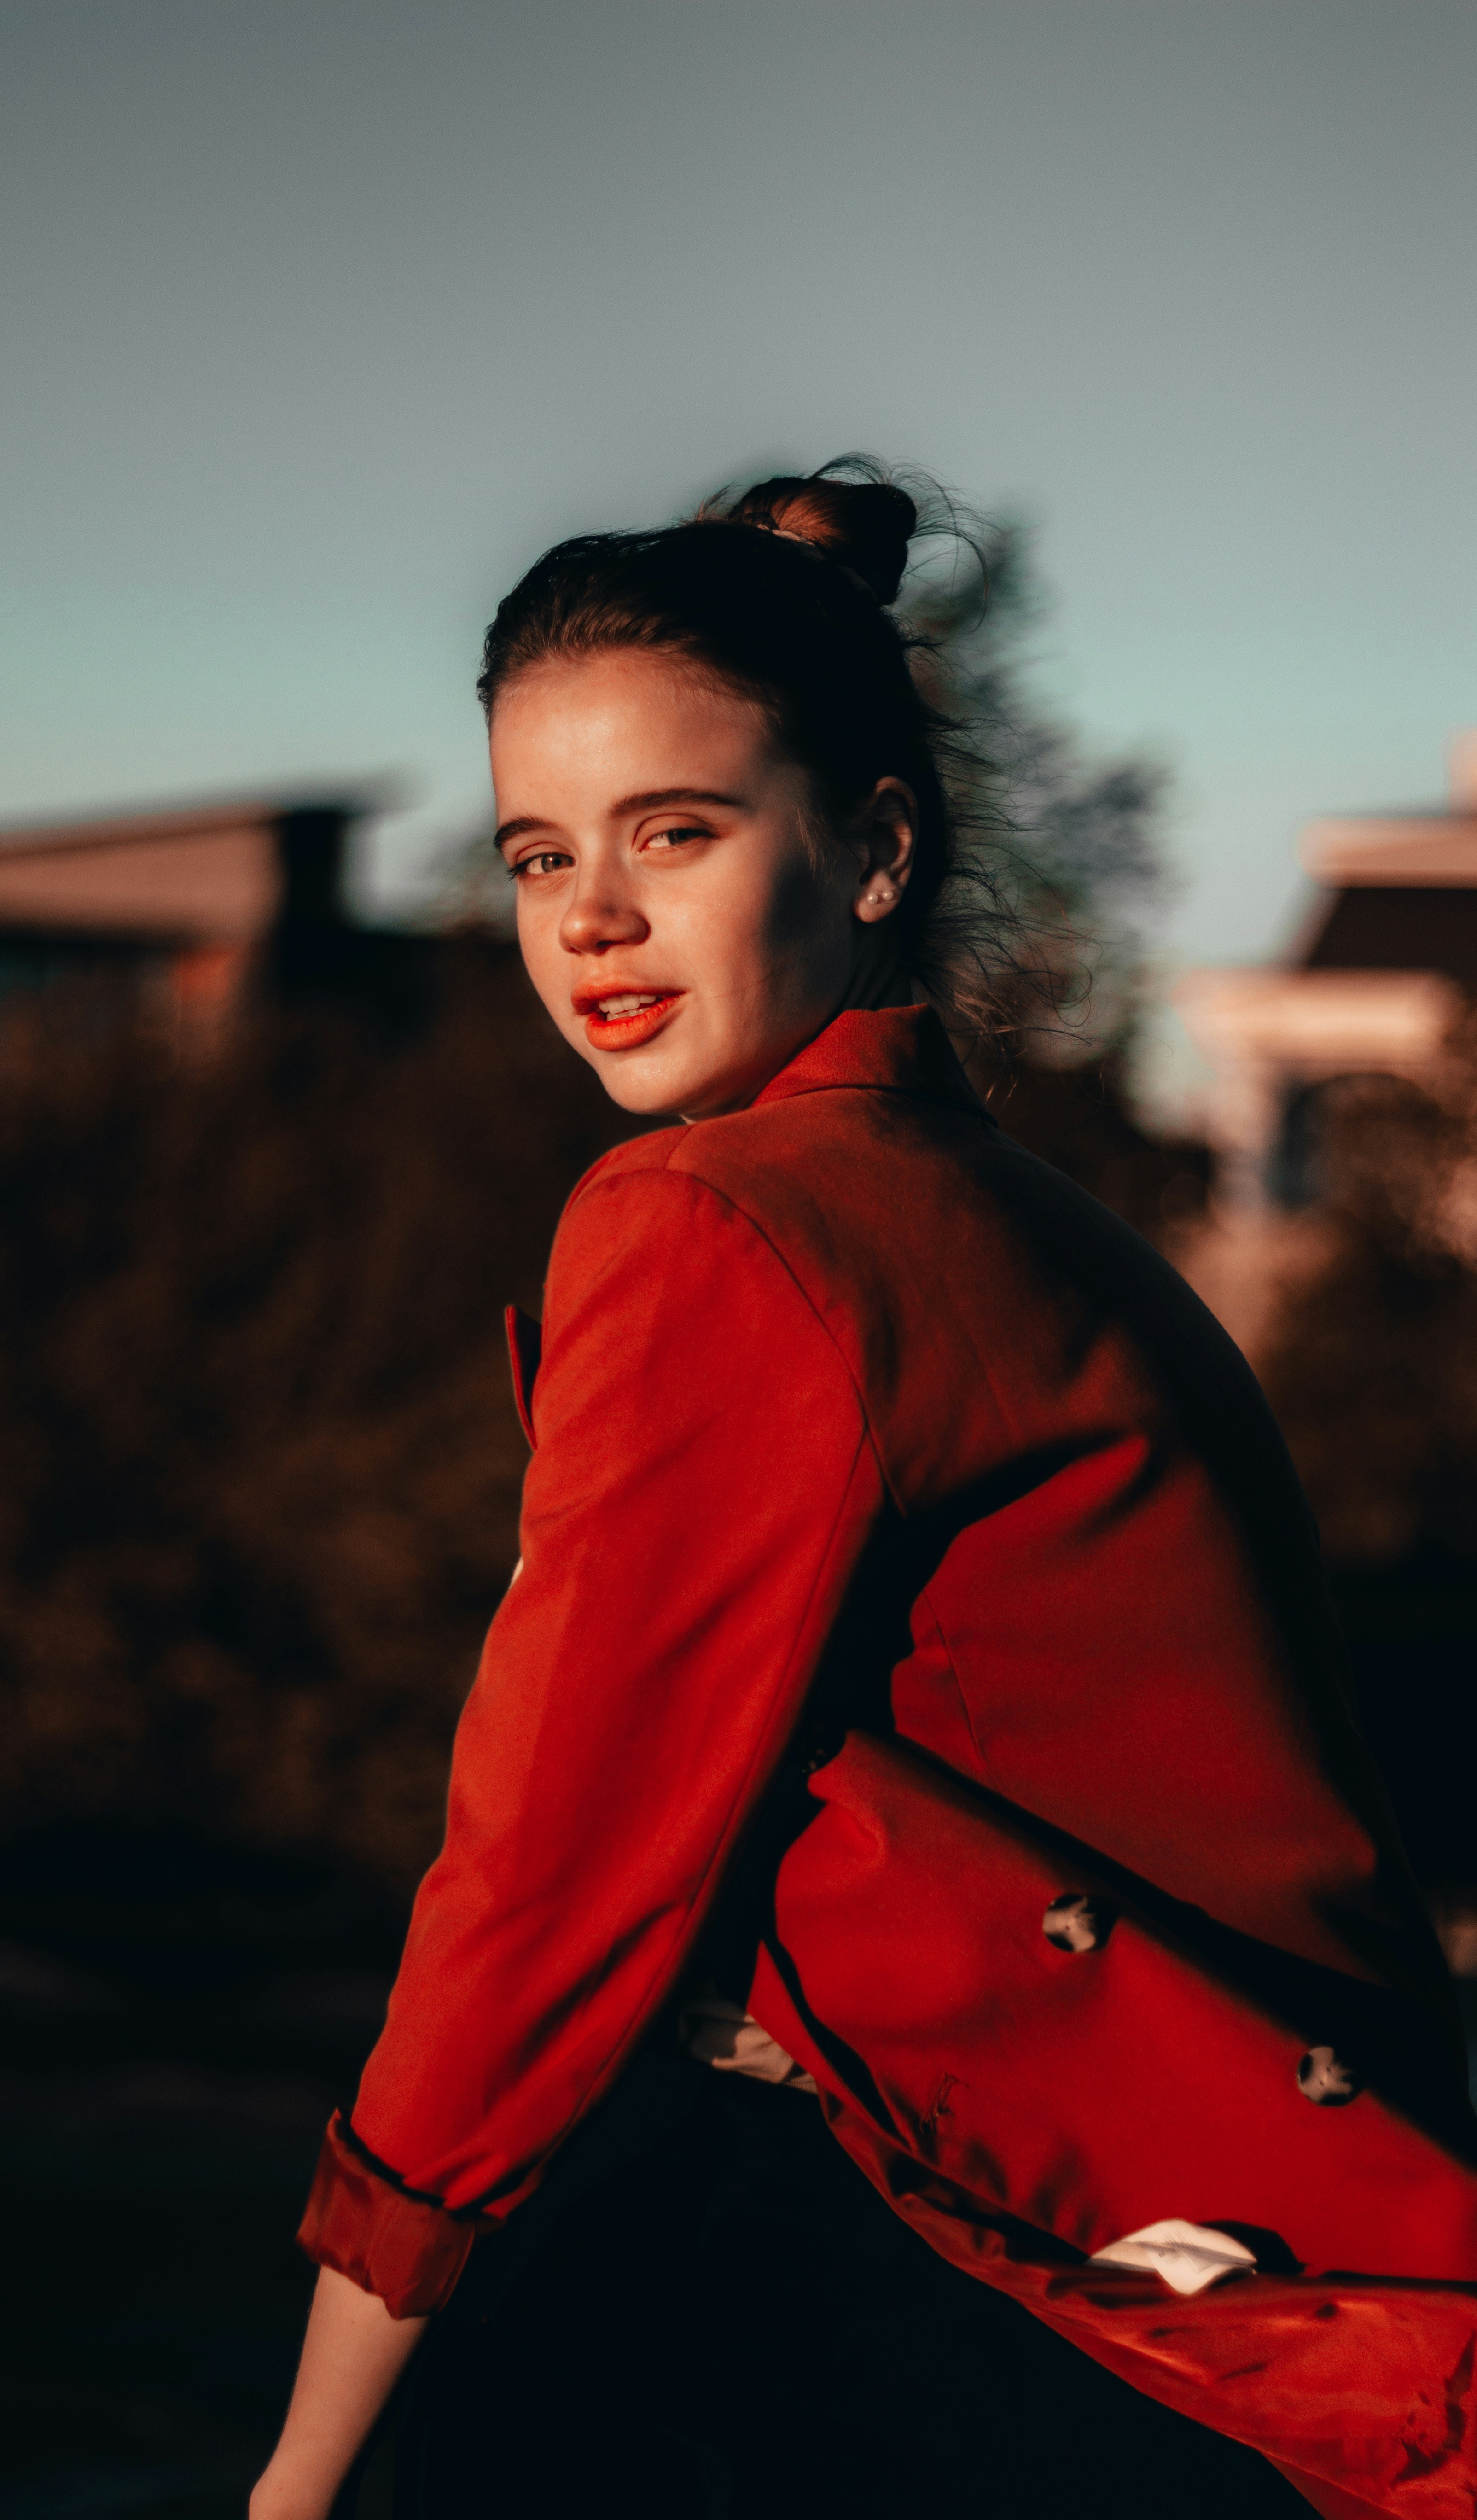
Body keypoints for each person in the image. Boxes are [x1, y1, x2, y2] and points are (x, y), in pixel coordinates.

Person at [252, 465, 1477, 2520]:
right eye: (538, 853)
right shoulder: (1033, 1221)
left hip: (1043, 2292)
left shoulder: (721, 1223)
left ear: (878, 846)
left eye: (679, 833)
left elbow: (549, 1873)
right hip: (1265, 2268)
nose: (592, 921)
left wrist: (309, 2453)